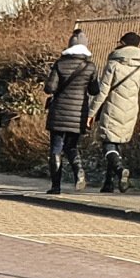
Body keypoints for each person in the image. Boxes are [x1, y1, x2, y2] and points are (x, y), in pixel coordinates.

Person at [85, 32, 140, 194]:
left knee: (108, 143)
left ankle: (120, 170)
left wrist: (91, 113)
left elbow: (102, 92)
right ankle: (109, 184)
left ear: (122, 43)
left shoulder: (113, 64)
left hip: (112, 108)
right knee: (117, 145)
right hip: (131, 111)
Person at [42, 29, 97, 195]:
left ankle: (55, 186)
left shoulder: (60, 64)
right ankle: (79, 173)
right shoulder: (90, 66)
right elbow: (94, 90)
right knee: (71, 146)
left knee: (56, 148)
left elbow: (49, 88)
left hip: (58, 111)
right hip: (78, 113)